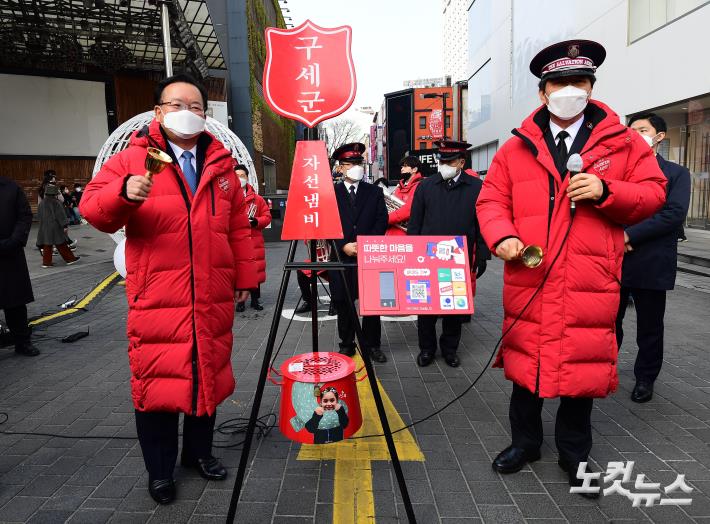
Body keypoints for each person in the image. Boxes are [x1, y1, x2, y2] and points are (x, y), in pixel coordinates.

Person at [476, 40, 667, 496]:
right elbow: (491, 200)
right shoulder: (516, 147)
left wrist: (606, 190)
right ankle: (525, 443)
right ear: (543, 92)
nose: (568, 90)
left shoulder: (621, 143)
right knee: (527, 369)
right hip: (531, 275)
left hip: (590, 280)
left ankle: (575, 454)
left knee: (579, 373)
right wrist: (501, 236)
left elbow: (654, 194)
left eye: (577, 82)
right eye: (558, 83)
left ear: (591, 86)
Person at [80, 73, 256, 505]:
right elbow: (93, 209)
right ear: (159, 111)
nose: (189, 114)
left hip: (211, 295)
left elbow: (240, 228)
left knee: (207, 374)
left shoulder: (221, 167)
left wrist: (247, 279)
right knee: (157, 384)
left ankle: (199, 454)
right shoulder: (133, 160)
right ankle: (160, 471)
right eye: (178, 105)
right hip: (158, 296)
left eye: (197, 108)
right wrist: (123, 194)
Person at [616, 113, 691, 403]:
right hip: (616, 258)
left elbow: (672, 214)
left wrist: (629, 236)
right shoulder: (617, 171)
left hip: (651, 259)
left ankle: (645, 378)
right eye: (631, 129)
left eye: (642, 130)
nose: (634, 134)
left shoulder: (676, 173)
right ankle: (604, 368)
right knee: (609, 321)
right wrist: (617, 237)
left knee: (649, 326)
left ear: (659, 136)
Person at [408, 140, 489, 368]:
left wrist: (481, 255)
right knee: (426, 308)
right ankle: (427, 349)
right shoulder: (426, 186)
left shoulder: (475, 187)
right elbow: (415, 223)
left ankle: (450, 349)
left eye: (449, 161)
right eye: (441, 161)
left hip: (458, 257)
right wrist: (412, 254)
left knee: (454, 307)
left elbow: (482, 223)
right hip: (427, 256)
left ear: (461, 162)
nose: (443, 165)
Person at [328, 142, 388, 363]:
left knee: (371, 303)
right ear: (340, 167)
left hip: (369, 256)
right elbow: (326, 224)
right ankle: (346, 344)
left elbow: (382, 220)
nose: (356, 167)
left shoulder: (374, 192)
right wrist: (343, 244)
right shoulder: (331, 194)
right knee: (343, 302)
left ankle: (372, 345)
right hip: (341, 256)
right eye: (350, 164)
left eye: (358, 163)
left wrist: (365, 244)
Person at [0, 176, 39, 356]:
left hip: (10, 252)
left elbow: (24, 215)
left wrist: (15, 240)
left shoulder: (11, 188)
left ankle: (22, 342)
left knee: (15, 303)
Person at [235, 164, 271, 312]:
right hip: (237, 241)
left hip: (254, 240)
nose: (239, 179)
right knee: (240, 271)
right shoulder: (227, 197)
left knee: (255, 270)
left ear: (247, 178)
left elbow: (267, 217)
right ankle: (240, 302)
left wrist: (256, 221)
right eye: (236, 176)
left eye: (242, 176)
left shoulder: (257, 199)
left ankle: (255, 300)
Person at [36, 185, 80, 268]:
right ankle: (70, 259)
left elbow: (39, 215)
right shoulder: (56, 202)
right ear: (55, 194)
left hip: (44, 226)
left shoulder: (42, 203)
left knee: (47, 244)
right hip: (55, 226)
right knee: (61, 243)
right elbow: (60, 215)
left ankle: (46, 263)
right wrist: (65, 225)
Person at [385, 156, 424, 236]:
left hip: (405, 235)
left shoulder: (420, 186)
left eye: (405, 166)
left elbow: (409, 209)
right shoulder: (399, 186)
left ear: (414, 170)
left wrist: (385, 218)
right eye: (402, 166)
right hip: (391, 231)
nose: (402, 169)